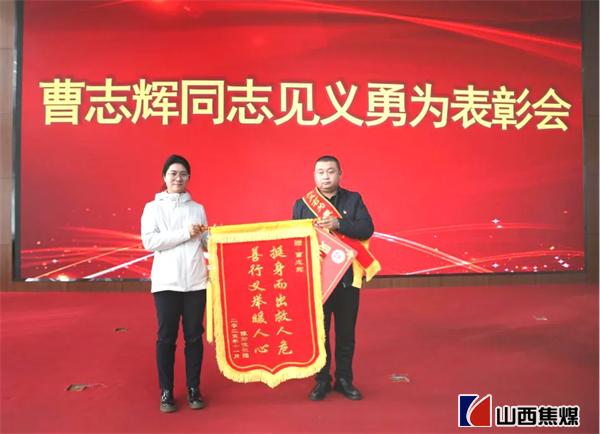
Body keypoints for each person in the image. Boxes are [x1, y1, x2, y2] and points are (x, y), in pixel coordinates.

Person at [292, 155, 376, 401]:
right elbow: (294, 241)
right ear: (314, 175)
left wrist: (339, 224)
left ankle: (344, 379)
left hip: (348, 277)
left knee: (346, 332)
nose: (326, 176)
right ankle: (321, 380)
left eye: (330, 171)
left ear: (340, 174)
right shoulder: (302, 204)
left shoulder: (353, 199)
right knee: (320, 333)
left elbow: (367, 229)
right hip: (318, 280)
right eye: (320, 172)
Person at [141, 154, 209, 413]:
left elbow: (205, 241)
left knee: (194, 337)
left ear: (189, 178)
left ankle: (193, 388)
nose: (178, 178)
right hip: (166, 283)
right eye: (173, 173)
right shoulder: (152, 208)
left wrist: (223, 239)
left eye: (183, 174)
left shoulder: (197, 208)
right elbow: (150, 242)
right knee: (166, 338)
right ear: (164, 177)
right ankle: (166, 391)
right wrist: (185, 233)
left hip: (195, 282)